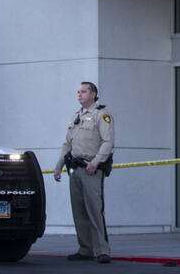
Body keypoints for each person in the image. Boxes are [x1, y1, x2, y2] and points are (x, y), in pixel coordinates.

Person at [53, 81, 114, 263]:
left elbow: (108, 142)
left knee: (95, 210)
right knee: (78, 211)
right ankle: (85, 249)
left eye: (83, 91)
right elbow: (67, 144)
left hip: (91, 169)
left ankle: (102, 250)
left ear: (93, 94)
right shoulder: (76, 116)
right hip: (75, 169)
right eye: (78, 92)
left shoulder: (101, 115)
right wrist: (59, 165)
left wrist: (95, 162)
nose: (79, 95)